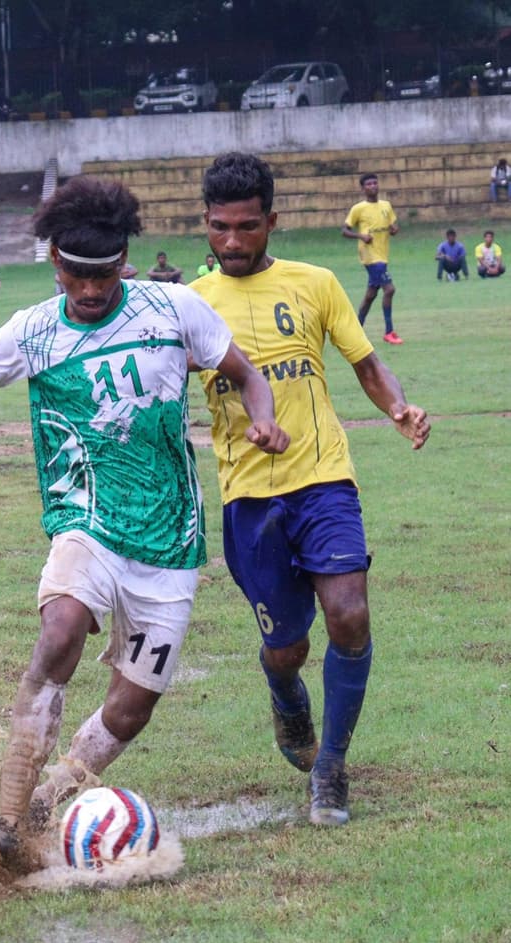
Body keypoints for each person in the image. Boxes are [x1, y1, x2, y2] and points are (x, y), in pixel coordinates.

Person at [0, 175, 289, 876]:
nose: (93, 289)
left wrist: (262, 415)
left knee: (130, 711)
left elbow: (244, 372)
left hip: (170, 541)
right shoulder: (33, 330)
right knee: (61, 627)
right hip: (86, 520)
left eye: (105, 274)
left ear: (125, 260)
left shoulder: (174, 309)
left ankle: (50, 797)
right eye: (77, 273)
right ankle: (9, 821)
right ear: (54, 263)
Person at [190, 152, 430, 827]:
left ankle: (330, 769)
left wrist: (399, 409)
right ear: (204, 226)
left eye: (246, 227)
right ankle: (284, 689)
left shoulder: (317, 282)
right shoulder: (191, 306)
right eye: (219, 228)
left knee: (349, 613)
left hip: (324, 479)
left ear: (272, 219)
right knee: (287, 645)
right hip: (249, 498)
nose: (232, 242)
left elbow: (368, 363)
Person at [342, 172, 402, 345]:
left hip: (382, 254)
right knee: (389, 289)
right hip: (370, 256)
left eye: (375, 183)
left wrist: (394, 230)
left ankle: (355, 330)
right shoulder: (358, 208)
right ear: (362, 188)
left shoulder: (386, 206)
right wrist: (361, 236)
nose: (373, 186)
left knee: (371, 295)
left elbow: (392, 225)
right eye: (368, 184)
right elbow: (344, 231)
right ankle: (389, 332)